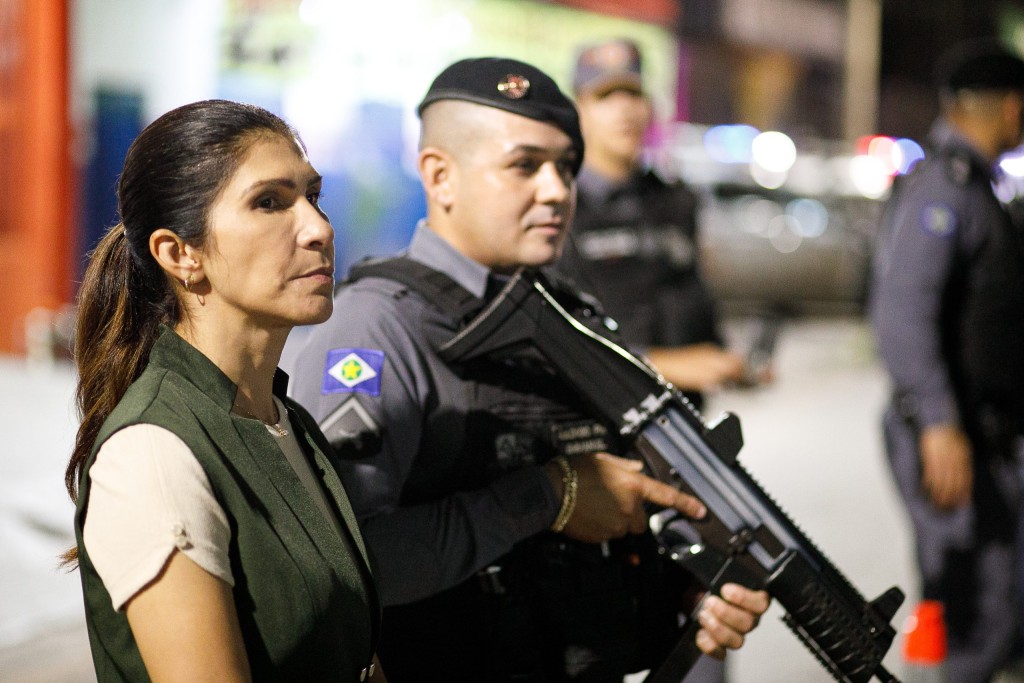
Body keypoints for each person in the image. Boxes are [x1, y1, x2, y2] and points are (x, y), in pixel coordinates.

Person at [286, 57, 768, 682]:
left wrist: (687, 587)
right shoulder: (376, 329)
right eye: (525, 165)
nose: (557, 190)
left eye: (566, 166)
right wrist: (548, 496)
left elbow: (621, 499)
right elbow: (338, 563)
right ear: (440, 175)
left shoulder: (570, 315)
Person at [64, 99, 383, 681]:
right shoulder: (153, 453)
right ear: (180, 254)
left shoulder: (287, 419)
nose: (319, 229)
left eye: (313, 196)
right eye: (269, 202)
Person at [870, 40, 1024, 683]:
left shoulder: (973, 185)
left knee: (992, 602)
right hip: (953, 434)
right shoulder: (946, 187)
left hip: (981, 431)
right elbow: (903, 314)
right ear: (1011, 107)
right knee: (975, 611)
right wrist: (939, 423)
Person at [557, 39, 756, 409]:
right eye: (605, 96)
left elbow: (692, 296)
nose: (624, 109)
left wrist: (727, 360)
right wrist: (663, 365)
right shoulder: (559, 206)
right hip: (602, 416)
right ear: (578, 110)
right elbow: (558, 338)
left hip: (682, 416)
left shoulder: (676, 201)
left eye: (633, 94)